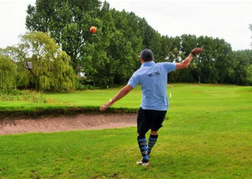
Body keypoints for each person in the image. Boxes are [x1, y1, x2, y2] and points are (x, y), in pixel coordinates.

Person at [100, 47, 203, 167]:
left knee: (141, 134)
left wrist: (110, 102)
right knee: (154, 131)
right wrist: (192, 53)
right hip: (163, 108)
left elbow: (126, 89)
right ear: (153, 58)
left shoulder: (139, 73)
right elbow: (185, 64)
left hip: (147, 108)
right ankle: (147, 152)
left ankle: (145, 159)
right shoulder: (163, 66)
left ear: (141, 59)